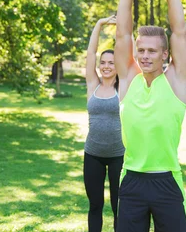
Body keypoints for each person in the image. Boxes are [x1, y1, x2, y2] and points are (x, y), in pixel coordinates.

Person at [114, 0, 186, 232]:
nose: (145, 56)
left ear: (165, 55)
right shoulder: (128, 78)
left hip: (166, 180)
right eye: (142, 50)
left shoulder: (176, 81)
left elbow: (179, 32)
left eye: (152, 51)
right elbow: (122, 33)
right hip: (132, 179)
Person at [84, 15, 125, 232]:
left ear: (118, 66)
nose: (107, 66)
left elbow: (130, 53)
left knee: (119, 207)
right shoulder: (93, 84)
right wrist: (99, 25)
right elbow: (90, 53)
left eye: (112, 63)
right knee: (95, 206)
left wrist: (123, 29)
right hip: (93, 155)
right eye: (104, 63)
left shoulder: (124, 88)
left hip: (119, 155)